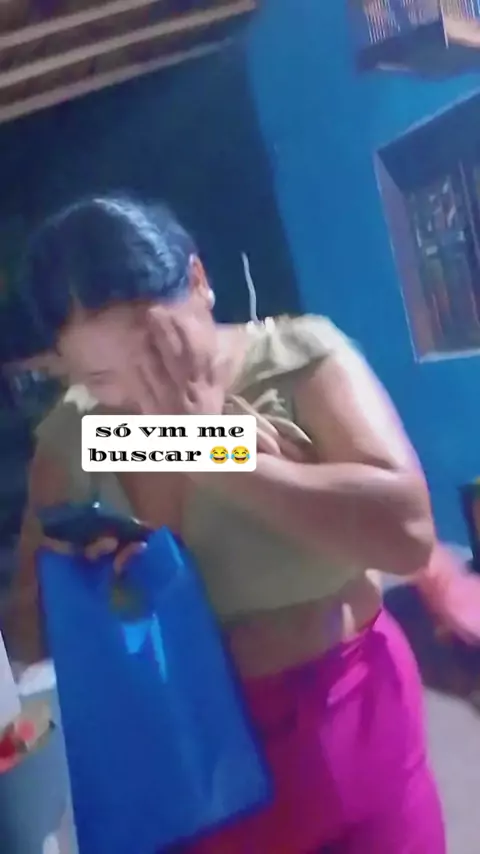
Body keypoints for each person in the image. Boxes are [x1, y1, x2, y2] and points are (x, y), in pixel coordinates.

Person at [6, 195, 455, 852]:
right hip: (190, 757)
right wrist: (83, 586)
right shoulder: (79, 434)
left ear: (197, 281)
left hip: (354, 720)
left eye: (157, 350)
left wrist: (221, 454)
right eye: (102, 377)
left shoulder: (297, 360)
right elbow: (26, 636)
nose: (141, 395)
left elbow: (407, 535)